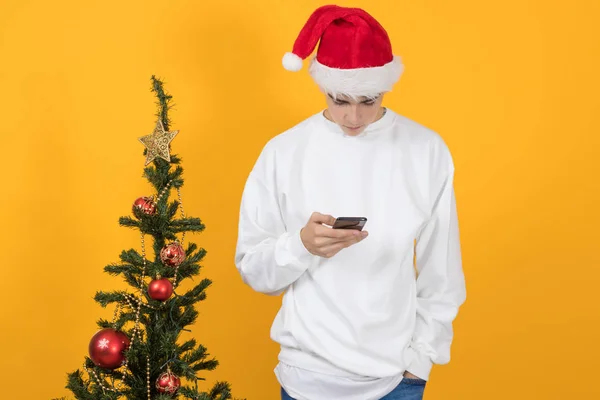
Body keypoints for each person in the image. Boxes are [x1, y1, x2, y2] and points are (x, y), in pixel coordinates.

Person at [234, 4, 466, 400]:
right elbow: (254, 271)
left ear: (386, 87)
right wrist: (300, 246)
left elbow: (441, 271)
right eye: (340, 100)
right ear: (323, 85)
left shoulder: (425, 150)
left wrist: (420, 362)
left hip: (396, 380)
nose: (354, 117)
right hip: (305, 376)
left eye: (368, 100)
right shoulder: (284, 152)